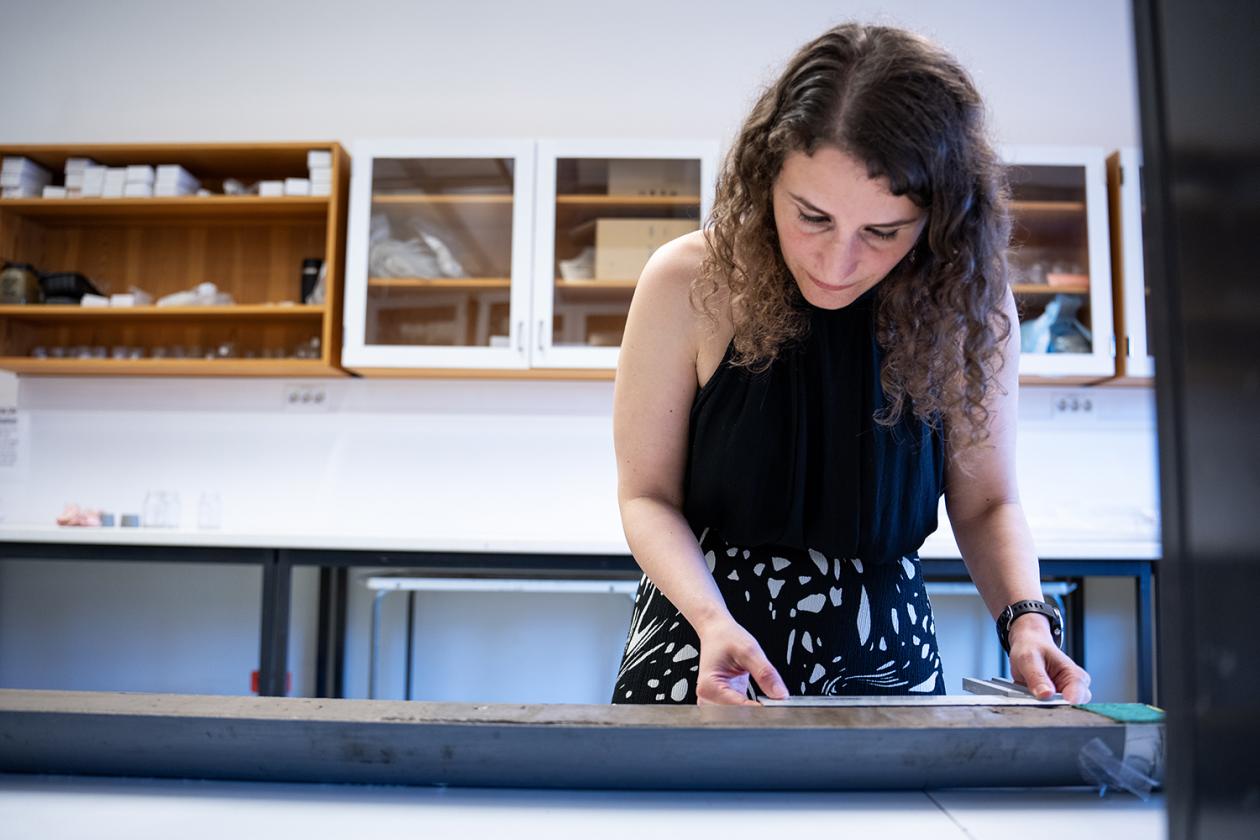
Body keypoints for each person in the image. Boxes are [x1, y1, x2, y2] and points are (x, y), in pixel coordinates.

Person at [609, 23, 1093, 706]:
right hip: (702, 638)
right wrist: (715, 620)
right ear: (766, 176)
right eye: (811, 217)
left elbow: (987, 502)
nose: (837, 263)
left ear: (938, 220)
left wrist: (1025, 619)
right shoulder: (690, 282)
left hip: (886, 651)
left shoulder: (971, 308)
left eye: (882, 232)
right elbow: (646, 496)